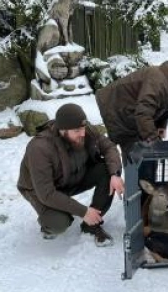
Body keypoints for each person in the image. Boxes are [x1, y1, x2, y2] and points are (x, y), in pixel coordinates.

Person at [17, 103, 124, 247]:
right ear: (63, 130)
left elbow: (109, 147)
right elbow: (46, 194)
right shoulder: (39, 148)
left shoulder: (85, 130)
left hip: (72, 178)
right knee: (59, 223)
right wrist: (83, 211)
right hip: (40, 190)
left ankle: (91, 224)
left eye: (83, 128)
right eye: (77, 130)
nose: (83, 133)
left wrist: (115, 174)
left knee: (107, 169)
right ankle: (48, 224)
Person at [95, 61, 168, 176]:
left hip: (137, 112)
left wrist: (161, 125)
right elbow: (143, 113)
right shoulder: (159, 83)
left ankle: (144, 186)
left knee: (148, 157)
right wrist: (155, 143)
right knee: (135, 157)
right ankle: (133, 190)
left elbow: (166, 107)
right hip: (118, 107)